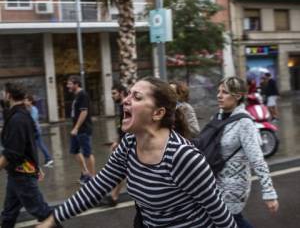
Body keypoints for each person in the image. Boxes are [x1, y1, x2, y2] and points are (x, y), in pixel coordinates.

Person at [36, 77, 237, 228]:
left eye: (137, 97)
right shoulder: (129, 144)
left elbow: (220, 214)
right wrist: (53, 219)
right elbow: (97, 186)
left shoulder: (183, 157)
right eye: (129, 94)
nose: (125, 100)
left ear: (158, 113)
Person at [216, 76, 279, 228]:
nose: (219, 95)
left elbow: (258, 160)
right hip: (216, 182)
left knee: (232, 220)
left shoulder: (245, 123)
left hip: (233, 186)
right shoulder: (219, 116)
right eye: (218, 91)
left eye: (224, 92)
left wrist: (269, 194)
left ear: (237, 96)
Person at [0, 82, 52, 228]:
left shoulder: (18, 118)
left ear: (9, 95)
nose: (3, 95)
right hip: (16, 173)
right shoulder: (21, 114)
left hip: (22, 175)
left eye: (4, 92)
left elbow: (12, 153)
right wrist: (36, 165)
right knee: (9, 213)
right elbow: (29, 143)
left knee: (42, 212)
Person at [67, 75, 95, 185]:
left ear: (76, 84)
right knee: (75, 151)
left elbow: (84, 112)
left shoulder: (83, 95)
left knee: (87, 153)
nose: (67, 86)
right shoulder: (77, 95)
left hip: (83, 129)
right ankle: (85, 172)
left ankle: (92, 178)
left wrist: (76, 128)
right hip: (76, 130)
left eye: (69, 83)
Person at [105, 83, 128, 206]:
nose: (112, 96)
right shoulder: (122, 106)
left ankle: (114, 196)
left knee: (121, 170)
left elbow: (128, 128)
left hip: (128, 144)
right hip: (125, 143)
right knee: (121, 170)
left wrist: (119, 143)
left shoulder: (126, 106)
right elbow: (122, 127)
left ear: (122, 93)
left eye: (114, 93)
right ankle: (114, 196)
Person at [25, 94, 54, 167]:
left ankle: (44, 159)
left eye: (26, 100)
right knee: (40, 145)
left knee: (34, 145)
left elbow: (33, 119)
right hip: (35, 130)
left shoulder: (33, 109)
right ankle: (48, 158)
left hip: (35, 131)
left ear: (30, 101)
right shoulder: (29, 108)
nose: (24, 101)